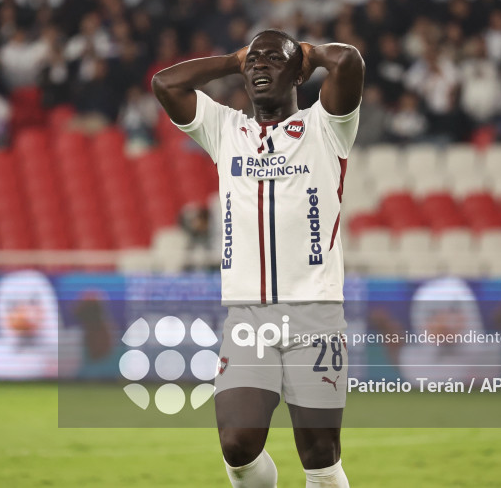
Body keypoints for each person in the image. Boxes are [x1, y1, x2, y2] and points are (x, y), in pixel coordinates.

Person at [152, 29, 363, 488]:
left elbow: (347, 62)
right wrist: (233, 59)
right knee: (237, 445)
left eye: (273, 59)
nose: (259, 65)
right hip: (248, 315)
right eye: (254, 61)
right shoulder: (225, 130)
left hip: (315, 316)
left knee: (320, 457)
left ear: (298, 73)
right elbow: (166, 84)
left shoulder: (325, 128)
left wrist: (308, 52)